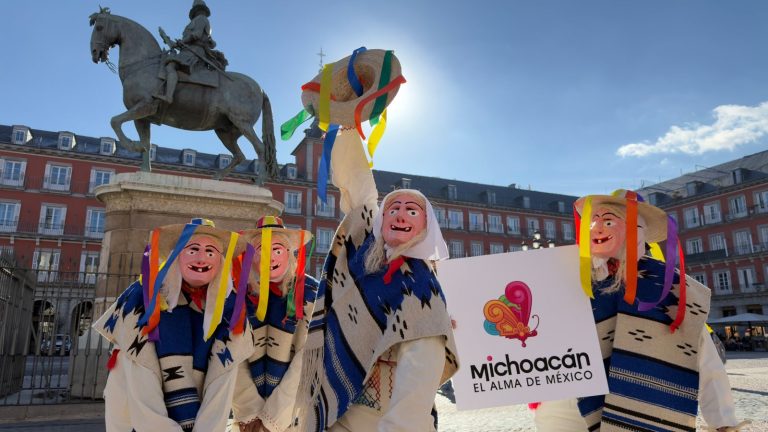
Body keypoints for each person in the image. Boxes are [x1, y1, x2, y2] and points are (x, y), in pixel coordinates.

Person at [533, 190, 747, 432]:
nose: (597, 228)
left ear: (636, 230)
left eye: (609, 220)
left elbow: (702, 355)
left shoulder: (669, 286)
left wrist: (723, 421)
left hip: (641, 408)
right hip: (566, 408)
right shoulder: (569, 276)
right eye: (593, 220)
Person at [303, 130, 459, 431]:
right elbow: (359, 186)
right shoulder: (362, 255)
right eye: (392, 208)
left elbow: (419, 375)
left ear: (426, 226)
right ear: (380, 221)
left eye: (411, 210)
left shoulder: (424, 288)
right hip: (335, 409)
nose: (400, 214)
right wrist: (346, 125)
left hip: (383, 417)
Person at [94, 218, 252, 431]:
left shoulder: (231, 308)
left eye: (210, 251)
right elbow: (143, 388)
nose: (201, 257)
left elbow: (223, 380)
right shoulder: (142, 298)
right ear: (177, 255)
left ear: (220, 261)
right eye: (193, 249)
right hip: (138, 419)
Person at [229, 216, 324, 432]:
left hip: (294, 417)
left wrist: (273, 418)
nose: (270, 257)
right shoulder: (237, 293)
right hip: (247, 424)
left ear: (290, 253)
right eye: (261, 250)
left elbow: (310, 356)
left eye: (278, 249)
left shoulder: (313, 293)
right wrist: (250, 412)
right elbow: (231, 354)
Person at [155, 0, 226, 104]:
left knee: (171, 66)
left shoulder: (202, 19)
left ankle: (168, 96)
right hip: (188, 50)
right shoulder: (196, 20)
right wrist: (169, 41)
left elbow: (196, 34)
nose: (198, 12)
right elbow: (186, 44)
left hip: (195, 52)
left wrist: (181, 42)